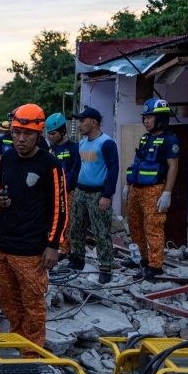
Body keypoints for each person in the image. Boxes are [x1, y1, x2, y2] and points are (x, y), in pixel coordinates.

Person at [0, 104, 67, 348]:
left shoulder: (50, 165)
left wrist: (53, 245)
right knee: (6, 300)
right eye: (16, 132)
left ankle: (31, 353)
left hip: (31, 250)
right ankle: (17, 340)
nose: (21, 139)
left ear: (38, 134)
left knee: (32, 304)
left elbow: (61, 208)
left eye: (27, 134)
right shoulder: (8, 157)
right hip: (1, 245)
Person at [124, 98, 180, 279]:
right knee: (134, 224)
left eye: (150, 117)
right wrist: (127, 185)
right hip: (136, 188)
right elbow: (137, 162)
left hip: (154, 189)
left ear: (161, 119)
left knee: (153, 227)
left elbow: (173, 166)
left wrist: (167, 192)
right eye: (145, 118)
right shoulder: (145, 138)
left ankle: (155, 265)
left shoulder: (170, 140)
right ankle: (141, 259)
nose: (145, 121)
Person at [68, 106, 119, 284]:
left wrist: (107, 195)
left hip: (98, 194)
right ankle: (77, 259)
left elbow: (113, 169)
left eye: (82, 121)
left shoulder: (106, 143)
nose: (79, 124)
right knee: (76, 227)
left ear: (93, 122)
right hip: (81, 191)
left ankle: (105, 267)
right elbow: (77, 167)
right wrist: (68, 187)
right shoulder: (81, 144)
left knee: (101, 232)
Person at [46, 113, 80, 260]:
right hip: (54, 191)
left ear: (63, 131)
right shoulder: (51, 150)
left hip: (69, 190)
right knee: (58, 221)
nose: (50, 137)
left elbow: (76, 170)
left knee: (70, 221)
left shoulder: (73, 148)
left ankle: (74, 251)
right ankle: (64, 249)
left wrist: (67, 187)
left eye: (53, 134)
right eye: (49, 134)